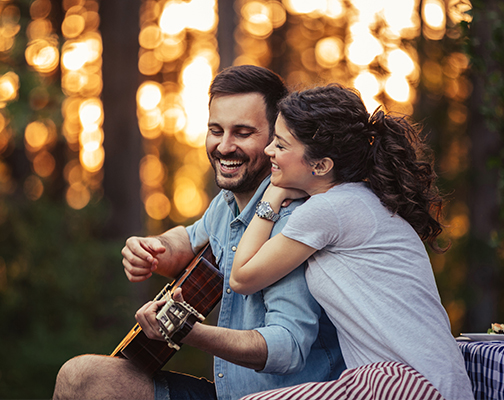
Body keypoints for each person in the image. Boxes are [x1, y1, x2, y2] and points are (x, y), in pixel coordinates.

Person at [52, 65, 344, 400]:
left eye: (243, 133)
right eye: (216, 130)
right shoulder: (227, 203)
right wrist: (152, 249)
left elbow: (287, 348)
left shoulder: (292, 221)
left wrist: (188, 331)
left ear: (275, 138)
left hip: (284, 395)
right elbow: (190, 240)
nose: (224, 146)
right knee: (81, 378)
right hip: (228, 393)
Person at [230, 84, 474, 400]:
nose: (268, 151)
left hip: (412, 387)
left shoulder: (329, 209)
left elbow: (241, 277)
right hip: (409, 382)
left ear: (321, 165)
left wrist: (271, 197)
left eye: (281, 144)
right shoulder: (355, 199)